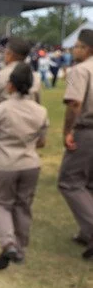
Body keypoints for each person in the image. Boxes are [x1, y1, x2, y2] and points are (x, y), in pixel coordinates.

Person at [0, 63, 48, 269]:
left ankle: (8, 242)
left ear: (10, 85)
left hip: (4, 163)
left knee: (1, 204)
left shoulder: (0, 109)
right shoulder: (40, 111)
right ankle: (20, 248)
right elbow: (42, 142)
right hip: (30, 163)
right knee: (23, 205)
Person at [57, 29, 93, 260]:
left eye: (78, 46)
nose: (74, 50)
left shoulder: (80, 70)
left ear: (87, 49)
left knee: (69, 181)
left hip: (87, 130)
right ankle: (85, 231)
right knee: (89, 183)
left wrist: (69, 130)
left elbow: (74, 103)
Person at [0, 37, 41, 116]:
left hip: (5, 122)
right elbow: (37, 104)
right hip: (29, 123)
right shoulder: (35, 77)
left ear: (10, 54)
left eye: (5, 52)